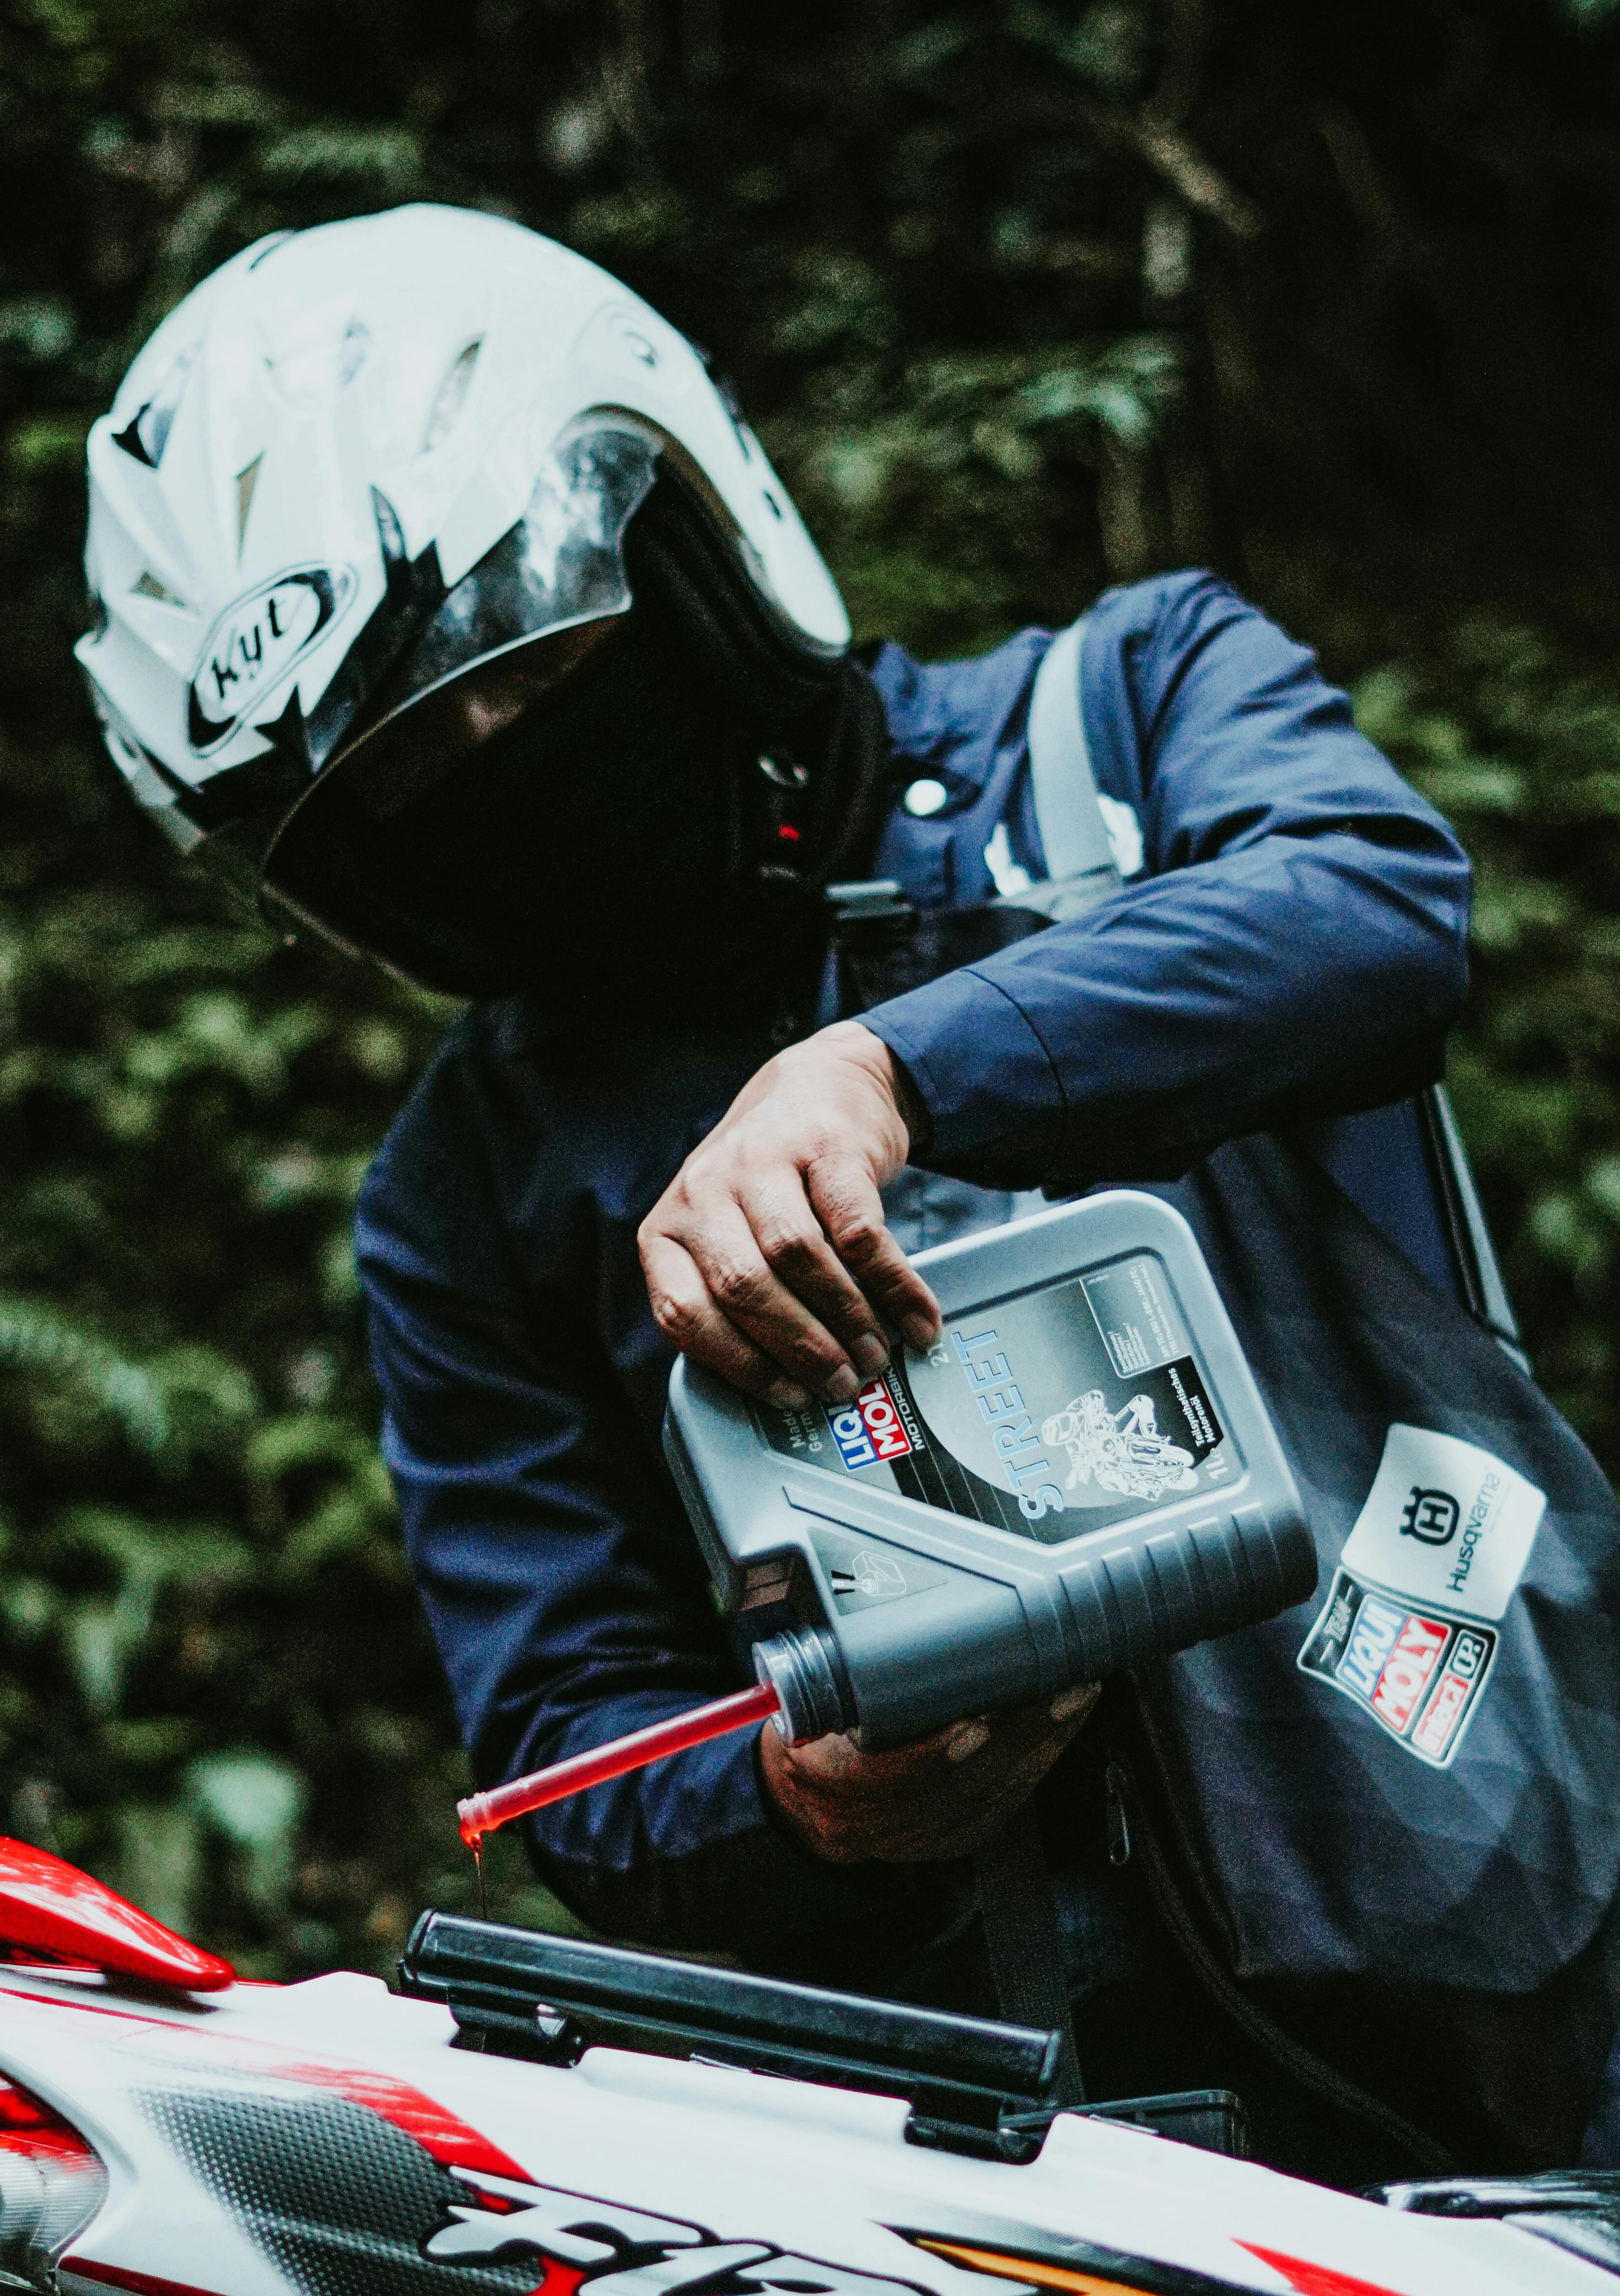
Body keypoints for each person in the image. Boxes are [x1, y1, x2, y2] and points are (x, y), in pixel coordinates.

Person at [77, 205, 1504, 2162]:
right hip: (1018, 2171)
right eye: (422, 792)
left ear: (696, 541)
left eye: (541, 673)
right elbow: (567, 1748)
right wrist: (803, 1802)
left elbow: (1371, 908)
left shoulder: (1119, 720)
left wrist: (891, 1073)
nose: (519, 779)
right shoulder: (474, 1178)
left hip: (1517, 1888)